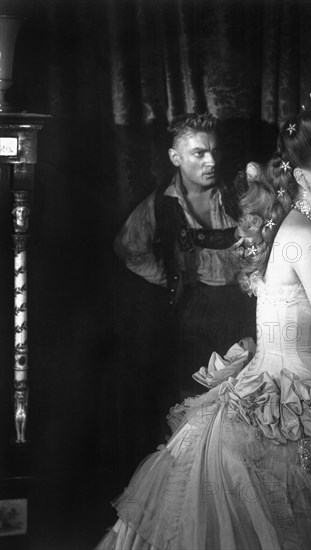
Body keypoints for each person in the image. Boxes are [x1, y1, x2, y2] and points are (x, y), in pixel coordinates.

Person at [97, 94, 311, 549]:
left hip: (271, 385)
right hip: (284, 393)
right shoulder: (306, 237)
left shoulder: (291, 224)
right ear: (303, 176)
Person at [113, 113, 255, 397]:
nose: (211, 162)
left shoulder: (240, 193)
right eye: (199, 153)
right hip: (194, 312)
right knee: (197, 399)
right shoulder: (161, 204)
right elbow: (128, 248)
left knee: (246, 397)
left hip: (245, 308)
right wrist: (172, 276)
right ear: (175, 157)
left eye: (214, 151)